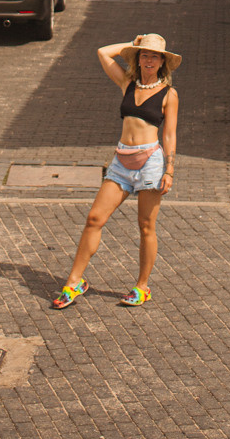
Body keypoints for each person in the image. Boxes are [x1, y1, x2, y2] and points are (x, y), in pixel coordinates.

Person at [51, 33, 180, 310]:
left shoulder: (169, 94)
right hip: (121, 162)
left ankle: (142, 287)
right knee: (94, 218)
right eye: (144, 55)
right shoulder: (127, 83)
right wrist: (132, 46)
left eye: (154, 56)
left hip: (150, 163)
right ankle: (74, 282)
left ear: (162, 62)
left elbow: (169, 134)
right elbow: (102, 52)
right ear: (138, 59)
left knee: (146, 226)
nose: (149, 60)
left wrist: (169, 170)